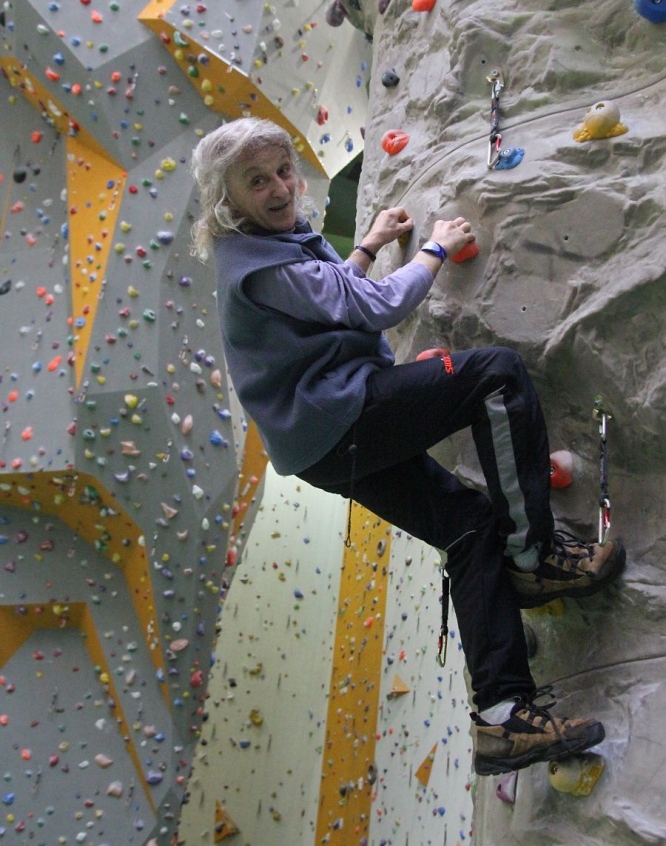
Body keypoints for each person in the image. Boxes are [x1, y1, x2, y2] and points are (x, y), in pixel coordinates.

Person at [190, 117, 626, 776]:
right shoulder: (256, 263)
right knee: (496, 376)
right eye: (257, 181)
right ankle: (534, 556)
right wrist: (435, 249)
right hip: (340, 417)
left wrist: (365, 247)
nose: (279, 188)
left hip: (323, 441)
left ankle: (502, 717)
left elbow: (327, 302)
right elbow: (373, 309)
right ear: (228, 199)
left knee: (467, 528)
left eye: (282, 170)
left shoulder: (261, 247)